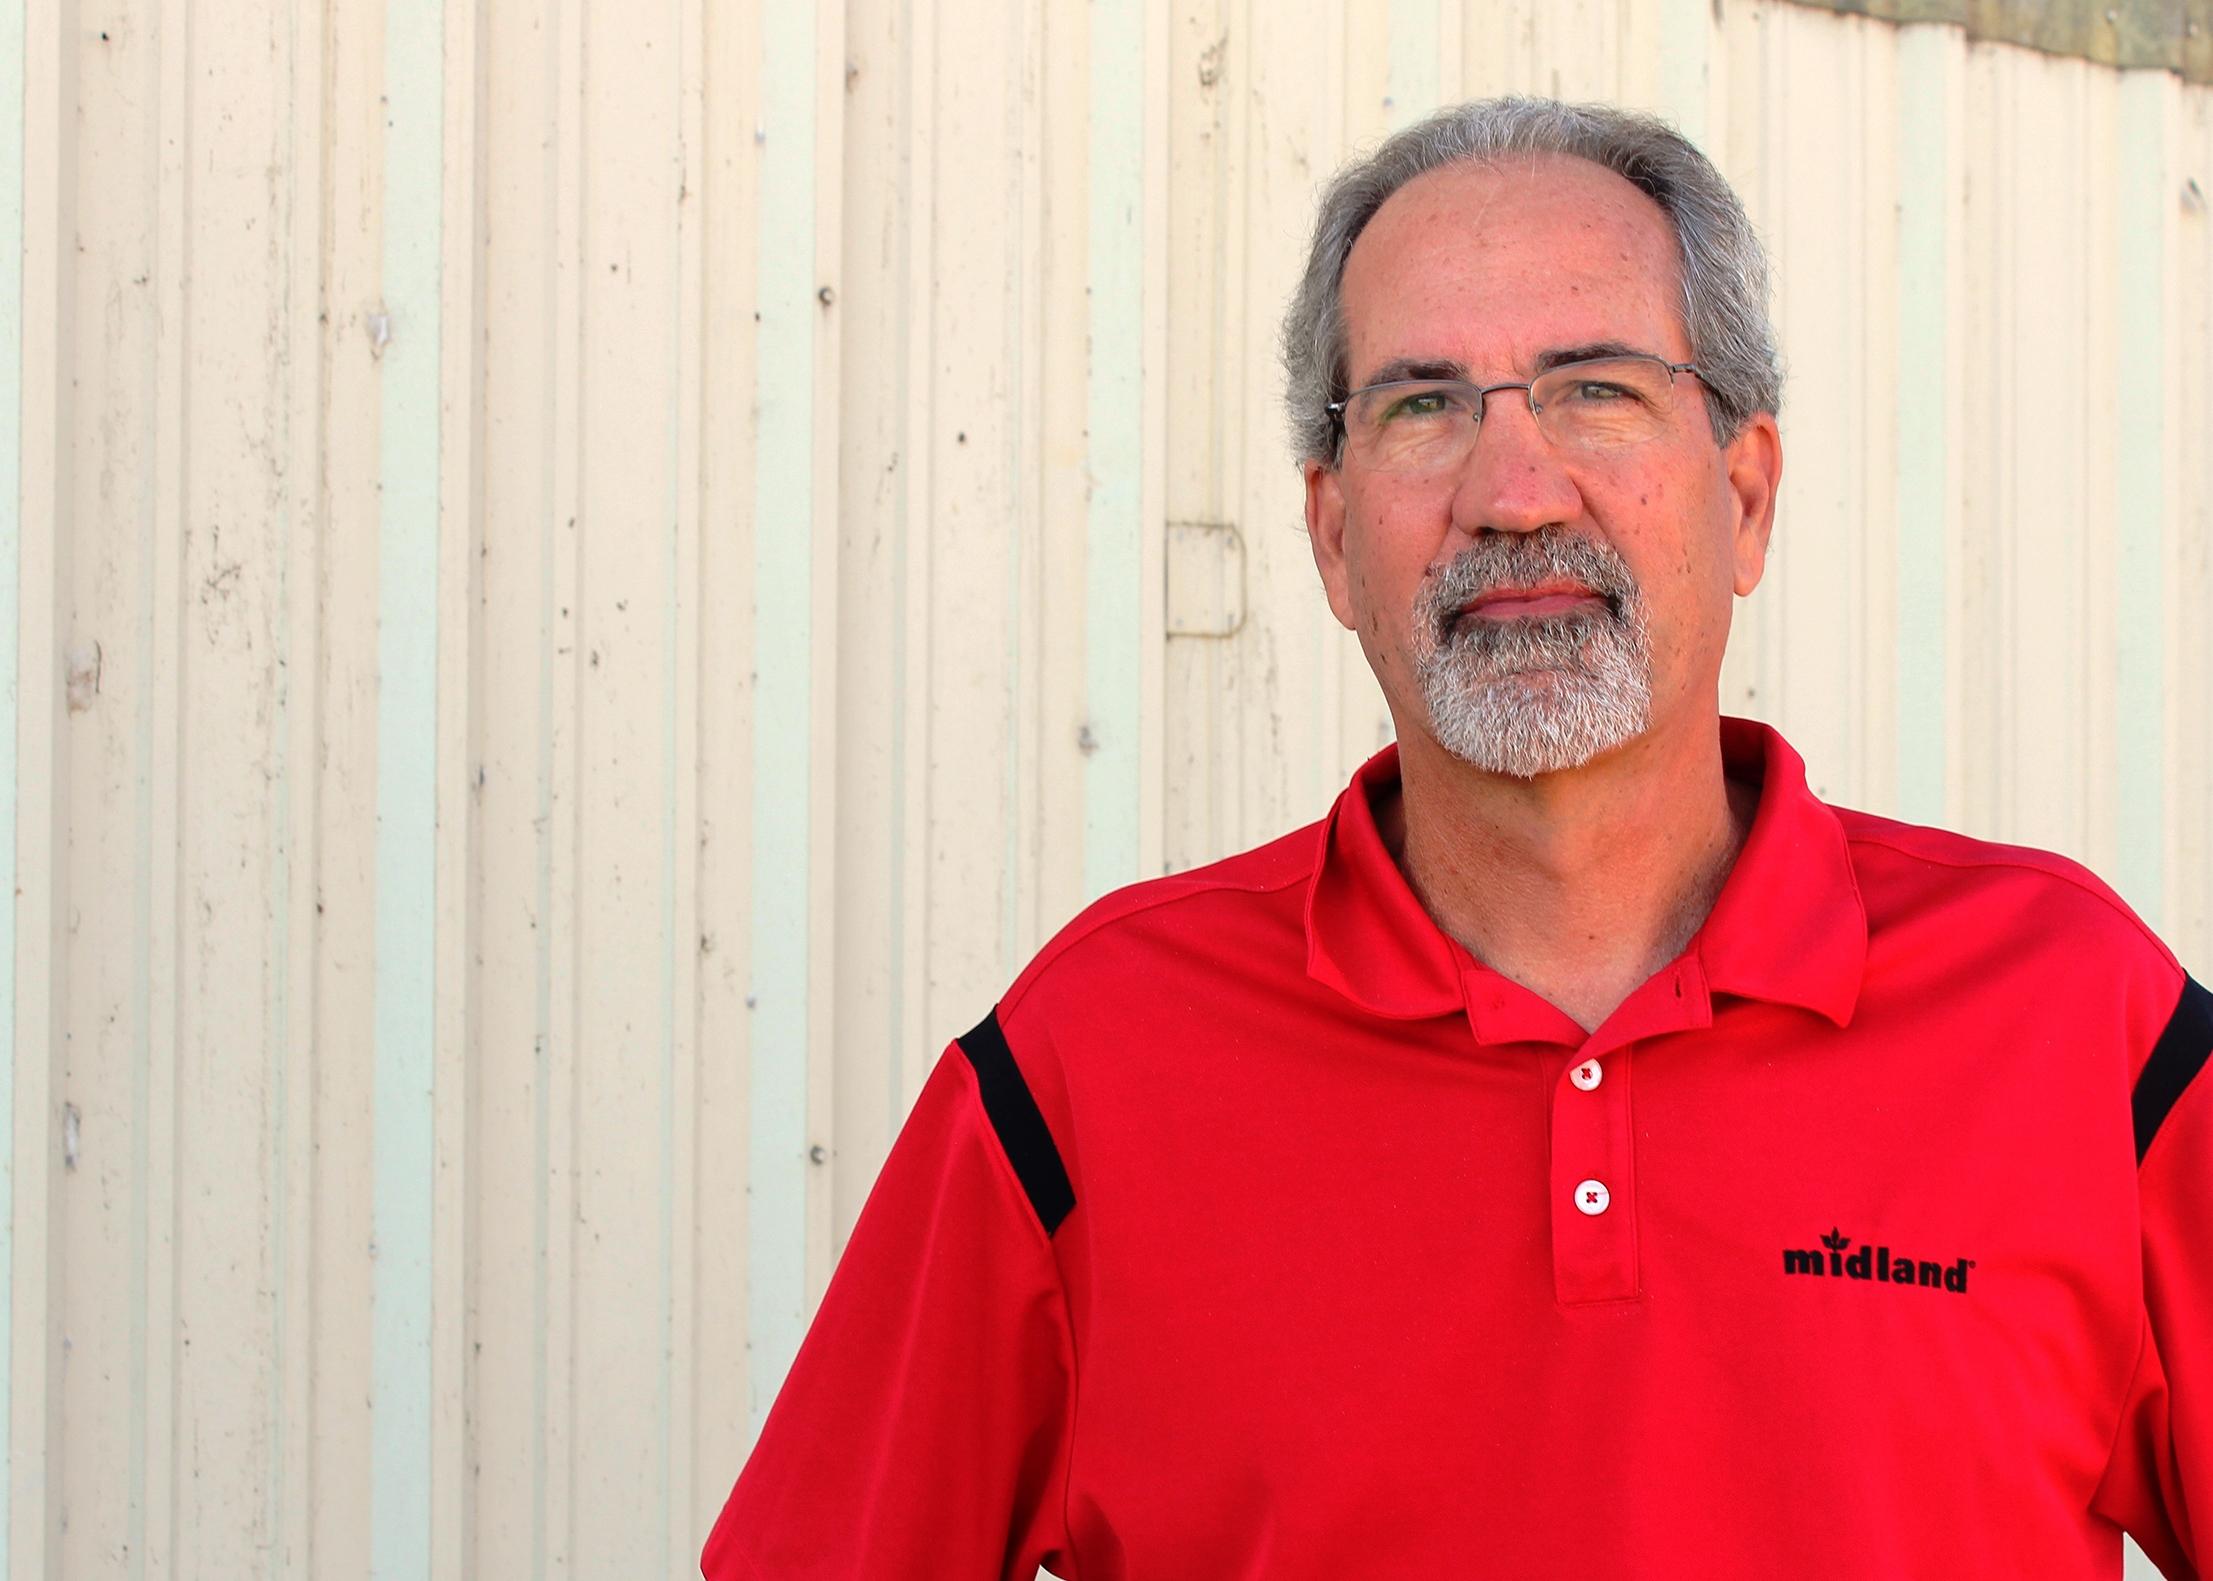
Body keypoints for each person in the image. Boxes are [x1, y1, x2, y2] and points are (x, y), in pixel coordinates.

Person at [703, 97, 2209, 1580]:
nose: (1510, 493)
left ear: (1743, 495)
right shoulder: (1087, 1061)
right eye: (1421, 407)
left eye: (1596, 389)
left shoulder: (2080, 1021)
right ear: (1330, 535)